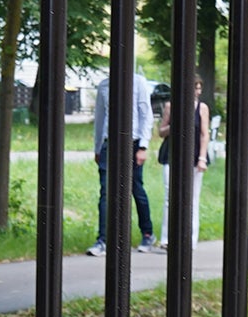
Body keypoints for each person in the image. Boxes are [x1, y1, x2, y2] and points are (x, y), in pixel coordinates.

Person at [88, 66, 155, 257]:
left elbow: (145, 114)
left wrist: (143, 146)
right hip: (109, 144)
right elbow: (100, 118)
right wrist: (97, 147)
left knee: (135, 188)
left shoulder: (138, 82)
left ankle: (147, 233)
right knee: (106, 191)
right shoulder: (104, 86)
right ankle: (103, 239)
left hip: (132, 143)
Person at [156, 74, 211, 251]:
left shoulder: (202, 108)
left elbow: (204, 134)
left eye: (200, 88)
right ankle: (166, 238)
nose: (198, 92)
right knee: (170, 196)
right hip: (172, 155)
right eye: (195, 88)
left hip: (194, 157)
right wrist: (175, 125)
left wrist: (202, 158)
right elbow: (161, 131)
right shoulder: (170, 106)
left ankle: (190, 239)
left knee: (192, 198)